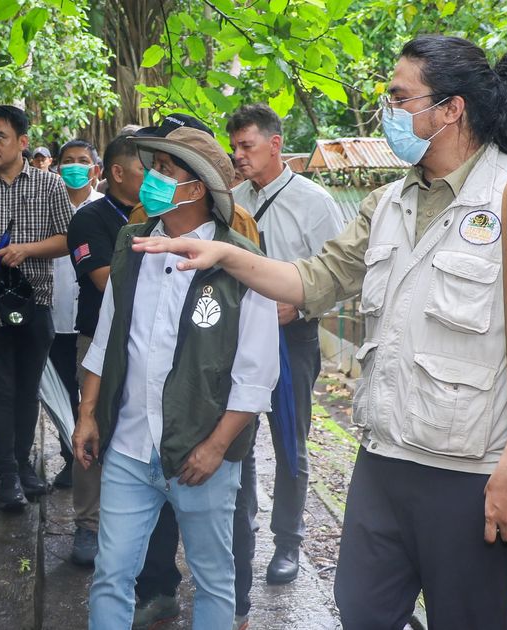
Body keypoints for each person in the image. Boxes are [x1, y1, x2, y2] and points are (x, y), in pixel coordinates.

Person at [131, 36, 507, 629]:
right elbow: (314, 280)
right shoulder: (386, 203)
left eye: (399, 98)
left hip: (471, 473)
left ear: (450, 109)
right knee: (361, 614)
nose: (388, 111)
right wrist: (224, 253)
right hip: (380, 463)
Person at [74, 114, 279, 629]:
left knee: (213, 579)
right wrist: (89, 414)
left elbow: (257, 375)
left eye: (166, 169)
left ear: (197, 188)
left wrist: (215, 448)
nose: (153, 178)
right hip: (128, 448)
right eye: (154, 166)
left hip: (200, 454)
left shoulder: (241, 261)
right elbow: (107, 339)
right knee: (111, 574)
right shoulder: (133, 245)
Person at [225, 103, 345, 623]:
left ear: (275, 144)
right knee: (237, 435)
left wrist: (300, 304)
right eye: (235, 147)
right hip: (239, 336)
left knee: (290, 439)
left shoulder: (314, 203)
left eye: (247, 146)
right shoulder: (231, 202)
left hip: (292, 338)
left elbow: (342, 277)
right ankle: (242, 533)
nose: (239, 156)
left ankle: (288, 542)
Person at [0, 105, 73, 511]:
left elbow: (68, 238)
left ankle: (23, 466)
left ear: (22, 142)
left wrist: (28, 250)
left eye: (0, 136)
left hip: (36, 302)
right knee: (1, 390)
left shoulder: (50, 186)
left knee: (28, 390)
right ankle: (7, 475)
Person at [61, 133, 141, 567]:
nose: (155, 177)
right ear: (116, 172)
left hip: (151, 341)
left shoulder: (160, 217)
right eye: (146, 169)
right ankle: (88, 523)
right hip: (100, 342)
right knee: (92, 427)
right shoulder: (91, 219)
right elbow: (105, 281)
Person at [50, 139, 105, 494]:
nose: (74, 166)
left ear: (96, 170)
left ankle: (90, 457)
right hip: (54, 315)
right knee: (61, 391)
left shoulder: (104, 210)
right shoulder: (48, 206)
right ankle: (69, 456)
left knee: (89, 392)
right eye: (67, 161)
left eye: (82, 161)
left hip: (88, 320)